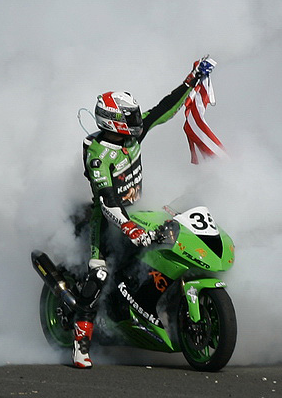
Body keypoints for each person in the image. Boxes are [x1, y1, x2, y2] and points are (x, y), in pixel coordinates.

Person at [72, 56, 215, 368]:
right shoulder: (98, 155)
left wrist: (190, 81)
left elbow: (163, 109)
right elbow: (108, 201)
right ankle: (81, 345)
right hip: (108, 223)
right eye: (130, 116)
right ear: (113, 120)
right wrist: (129, 229)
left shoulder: (133, 135)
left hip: (140, 211)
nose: (138, 121)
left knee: (176, 230)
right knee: (98, 275)